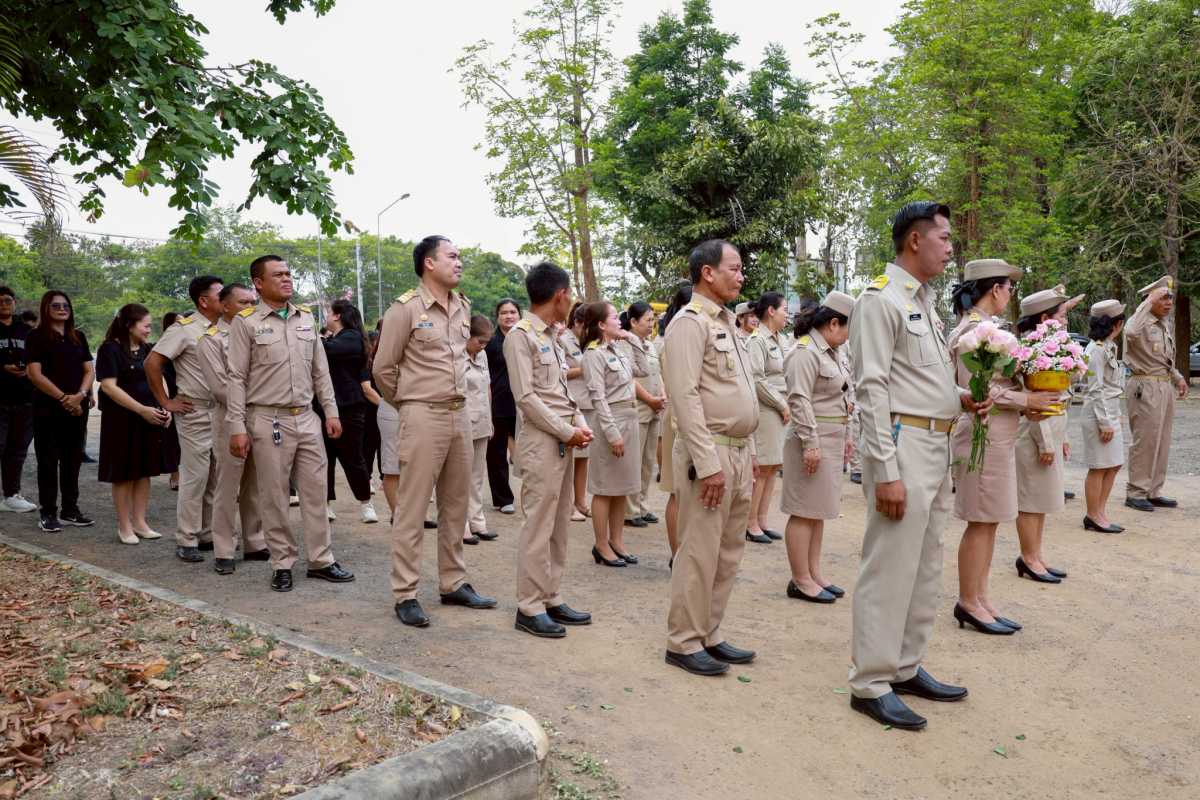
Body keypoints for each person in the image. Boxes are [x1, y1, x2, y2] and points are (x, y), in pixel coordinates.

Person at [848, 202, 993, 730]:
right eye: (945, 238)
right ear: (915, 240)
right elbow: (872, 388)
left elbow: (921, 379)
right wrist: (884, 470)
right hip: (902, 444)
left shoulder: (924, 303)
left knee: (925, 564)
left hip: (935, 442)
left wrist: (962, 396)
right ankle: (869, 681)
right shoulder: (879, 301)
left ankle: (905, 666)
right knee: (889, 565)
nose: (952, 248)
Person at [374, 236, 496, 627]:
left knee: (456, 505)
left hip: (460, 415)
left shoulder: (462, 306)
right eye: (453, 256)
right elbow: (382, 370)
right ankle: (406, 593)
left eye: (460, 256)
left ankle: (453, 582)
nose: (459, 262)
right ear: (429, 263)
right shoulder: (405, 309)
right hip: (423, 415)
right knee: (412, 509)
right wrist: (410, 405)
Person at [226, 255, 355, 593]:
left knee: (316, 494)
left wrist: (331, 412)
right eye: (278, 275)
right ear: (258, 283)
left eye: (288, 274)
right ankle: (282, 563)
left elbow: (320, 371)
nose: (287, 279)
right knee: (275, 496)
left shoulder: (305, 319)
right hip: (269, 419)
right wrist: (237, 425)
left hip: (307, 418)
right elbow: (236, 377)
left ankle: (321, 561)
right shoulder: (246, 322)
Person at [663, 239, 760, 676]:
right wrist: (708, 464)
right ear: (708, 273)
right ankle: (683, 641)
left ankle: (710, 633)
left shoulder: (728, 322)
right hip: (711, 454)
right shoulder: (689, 323)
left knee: (728, 552)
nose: (741, 276)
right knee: (699, 551)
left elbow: (741, 394)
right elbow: (684, 398)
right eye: (734, 268)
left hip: (738, 453)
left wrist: (750, 450)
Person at [947, 261, 1058, 632]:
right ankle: (968, 601)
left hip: (998, 435)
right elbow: (976, 391)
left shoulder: (988, 330)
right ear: (994, 289)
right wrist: (1028, 401)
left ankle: (981, 598)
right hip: (982, 433)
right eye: (1009, 288)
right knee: (980, 521)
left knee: (990, 521)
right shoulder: (973, 332)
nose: (1011, 294)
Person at [505, 262, 596, 637]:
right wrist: (565, 429)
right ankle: (528, 605)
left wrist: (578, 422)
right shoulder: (520, 336)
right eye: (570, 294)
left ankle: (550, 595)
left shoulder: (551, 336)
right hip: (542, 441)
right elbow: (526, 397)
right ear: (560, 296)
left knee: (559, 525)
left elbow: (558, 393)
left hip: (563, 438)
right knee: (538, 525)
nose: (571, 302)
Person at [780, 293, 856, 603]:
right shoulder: (805, 351)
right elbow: (799, 400)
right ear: (834, 323)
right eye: (849, 329)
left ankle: (813, 573)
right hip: (811, 438)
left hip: (832, 435)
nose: (850, 337)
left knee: (818, 509)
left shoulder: (832, 351)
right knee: (803, 510)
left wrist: (847, 433)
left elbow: (842, 395)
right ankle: (800, 580)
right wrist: (811, 444)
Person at [146, 277, 223, 561]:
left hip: (223, 411)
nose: (225, 299)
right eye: (219, 294)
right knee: (195, 477)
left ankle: (207, 535)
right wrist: (166, 401)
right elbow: (152, 362)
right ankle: (187, 539)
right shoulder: (185, 329)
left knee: (216, 476)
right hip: (195, 411)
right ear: (203, 300)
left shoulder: (225, 328)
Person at [198, 283, 270, 574]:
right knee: (227, 486)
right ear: (224, 306)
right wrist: (259, 400)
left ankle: (255, 542)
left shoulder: (257, 332)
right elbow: (219, 386)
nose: (249, 308)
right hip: (230, 417)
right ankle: (224, 550)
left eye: (252, 303)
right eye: (242, 303)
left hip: (261, 416)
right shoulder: (211, 339)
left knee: (254, 484)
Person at [96, 304, 173, 545]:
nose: (150, 329)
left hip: (151, 416)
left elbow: (158, 377)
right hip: (123, 419)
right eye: (146, 325)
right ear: (129, 325)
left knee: (144, 472)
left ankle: (140, 522)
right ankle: (124, 525)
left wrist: (166, 404)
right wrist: (141, 410)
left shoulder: (149, 350)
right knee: (124, 473)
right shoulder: (110, 349)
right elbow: (109, 386)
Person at [581, 301, 649, 566]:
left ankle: (617, 541)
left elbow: (643, 369)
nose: (619, 321)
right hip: (613, 422)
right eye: (614, 318)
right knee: (605, 486)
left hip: (630, 420)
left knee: (622, 486)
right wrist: (612, 434)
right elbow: (598, 398)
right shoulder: (593, 354)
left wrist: (630, 337)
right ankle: (601, 545)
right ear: (600, 324)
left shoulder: (617, 348)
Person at [1013, 288, 1074, 583]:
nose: (1065, 321)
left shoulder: (1053, 348)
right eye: (1061, 315)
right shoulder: (1033, 352)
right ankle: (1027, 557)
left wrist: (1061, 438)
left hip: (1051, 430)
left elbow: (1062, 396)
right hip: (1036, 433)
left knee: (1043, 499)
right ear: (1044, 318)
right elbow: (1034, 402)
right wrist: (1047, 442)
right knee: (1029, 500)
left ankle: (1036, 555)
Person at [24, 290, 96, 531]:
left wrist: (80, 396)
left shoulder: (79, 337)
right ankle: (48, 512)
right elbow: (35, 375)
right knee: (47, 460)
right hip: (48, 408)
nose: (62, 309)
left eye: (66, 305)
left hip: (78, 407)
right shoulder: (36, 337)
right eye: (56, 306)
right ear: (46, 308)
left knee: (72, 459)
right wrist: (65, 398)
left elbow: (89, 371)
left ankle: (70, 510)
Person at [1122, 276, 1188, 512]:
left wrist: (1177, 377)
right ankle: (1136, 492)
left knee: (1162, 440)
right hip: (1144, 386)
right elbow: (1129, 332)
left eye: (1170, 298)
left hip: (1163, 385)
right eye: (1163, 298)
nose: (1169, 302)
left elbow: (1164, 359)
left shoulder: (1162, 325)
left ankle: (1152, 491)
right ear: (1150, 300)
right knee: (1145, 440)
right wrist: (1145, 304)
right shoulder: (1139, 322)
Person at [318, 299, 377, 524]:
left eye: (328, 313)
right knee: (324, 459)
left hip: (348, 408)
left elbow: (326, 351)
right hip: (324, 406)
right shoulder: (337, 337)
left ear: (337, 316)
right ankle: (325, 505)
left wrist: (312, 336)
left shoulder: (351, 337)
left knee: (354, 457)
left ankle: (366, 503)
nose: (326, 317)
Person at [745, 291, 789, 544]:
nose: (787, 314)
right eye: (784, 309)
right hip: (767, 408)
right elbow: (757, 378)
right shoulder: (756, 340)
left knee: (773, 467)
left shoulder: (781, 339)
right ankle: (750, 523)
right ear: (771, 311)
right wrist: (782, 405)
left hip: (781, 408)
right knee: (762, 468)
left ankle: (762, 518)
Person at [1081, 299, 1127, 533]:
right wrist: (1105, 422)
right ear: (1117, 324)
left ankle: (1100, 511)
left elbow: (1111, 388)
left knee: (1114, 463)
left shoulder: (1108, 346)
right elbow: (1096, 389)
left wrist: (1116, 415)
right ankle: (1093, 514)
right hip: (1098, 412)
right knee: (1099, 466)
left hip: (1109, 409)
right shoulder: (1097, 350)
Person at [620, 302, 665, 528]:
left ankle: (643, 507)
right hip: (638, 407)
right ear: (633, 321)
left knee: (648, 462)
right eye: (647, 320)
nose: (651, 324)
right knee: (634, 462)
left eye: (652, 320)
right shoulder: (625, 343)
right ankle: (629, 510)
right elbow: (630, 378)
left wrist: (662, 396)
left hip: (655, 407)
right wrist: (650, 399)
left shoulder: (649, 344)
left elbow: (658, 374)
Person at [657, 286, 692, 565]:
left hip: (699, 422)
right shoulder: (674, 340)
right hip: (679, 421)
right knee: (676, 490)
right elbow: (678, 390)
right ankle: (676, 556)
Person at [0, 286, 37, 513]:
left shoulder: (28, 330)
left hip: (26, 398)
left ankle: (11, 495)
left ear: (15, 303)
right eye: (0, 301)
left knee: (18, 448)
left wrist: (29, 369)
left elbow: (41, 359)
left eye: (7, 300)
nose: (4, 304)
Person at [464, 313, 500, 544]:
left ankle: (477, 523)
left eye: (486, 342)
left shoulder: (483, 355)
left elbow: (487, 387)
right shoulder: (454, 355)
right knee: (459, 478)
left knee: (477, 476)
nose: (483, 346)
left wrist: (490, 419)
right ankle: (461, 526)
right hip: (461, 423)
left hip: (481, 421)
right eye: (480, 341)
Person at [485, 298, 521, 515]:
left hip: (524, 404)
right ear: (497, 316)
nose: (509, 316)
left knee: (528, 452)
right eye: (504, 312)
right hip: (497, 405)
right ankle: (503, 498)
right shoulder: (490, 341)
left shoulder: (525, 339)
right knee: (497, 455)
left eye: (513, 312)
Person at [561, 301, 593, 521]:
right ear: (577, 322)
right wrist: (585, 367)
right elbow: (559, 373)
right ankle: (568, 504)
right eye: (586, 325)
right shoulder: (564, 340)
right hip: (573, 401)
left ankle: (580, 501)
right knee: (572, 456)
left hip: (590, 403)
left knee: (584, 457)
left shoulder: (589, 341)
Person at [158, 311, 183, 488]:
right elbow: (160, 372)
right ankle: (175, 476)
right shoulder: (163, 345)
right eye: (179, 322)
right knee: (173, 439)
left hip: (186, 397)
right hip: (171, 397)